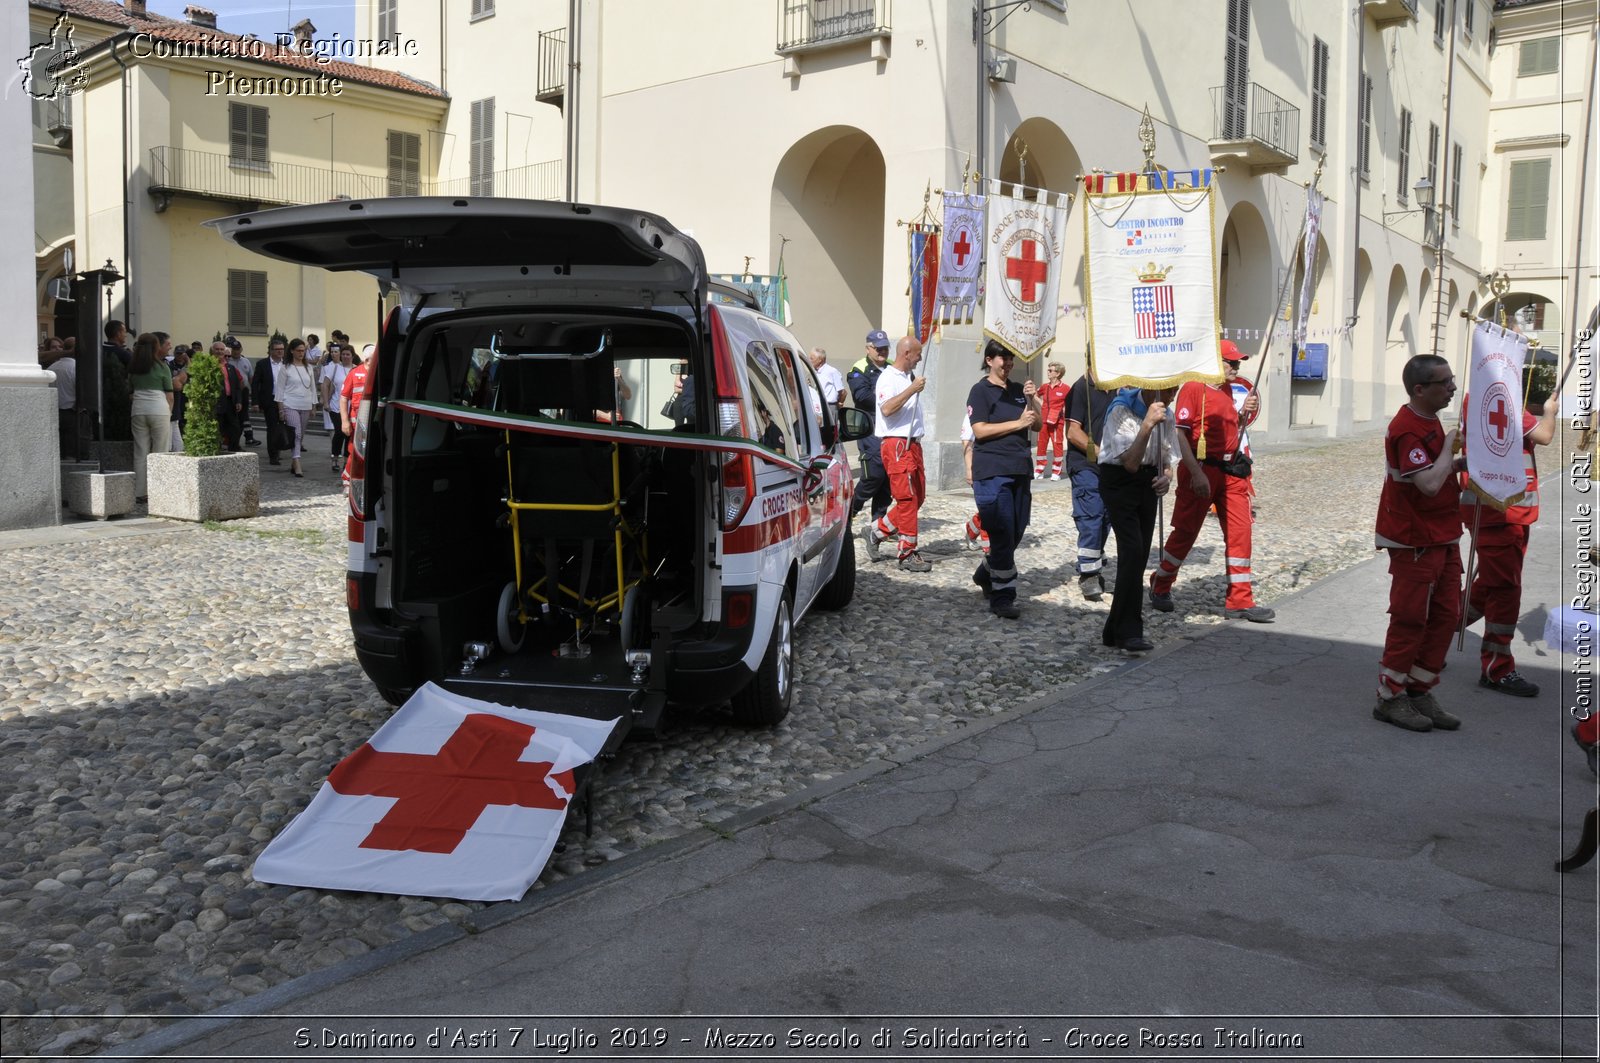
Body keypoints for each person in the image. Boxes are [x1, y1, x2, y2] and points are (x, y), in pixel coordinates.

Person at [1148, 340, 1276, 622]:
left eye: (1238, 363)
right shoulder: (1194, 387)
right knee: (1186, 533)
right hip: (1201, 468)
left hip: (1230, 471)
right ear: (1213, 362)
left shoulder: (1229, 391)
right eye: (1231, 362)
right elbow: (1181, 435)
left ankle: (1240, 600)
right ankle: (1161, 583)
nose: (1236, 367)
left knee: (1241, 531)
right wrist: (1196, 474)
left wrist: (1243, 415)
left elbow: (1230, 430)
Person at [1372, 353, 1466, 732]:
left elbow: (1435, 472)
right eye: (1445, 383)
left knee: (1445, 615)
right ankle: (1389, 697)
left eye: (1452, 379)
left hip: (1443, 533)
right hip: (1415, 538)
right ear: (1420, 389)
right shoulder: (1407, 427)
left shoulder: (1429, 419)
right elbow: (1427, 484)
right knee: (1412, 619)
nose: (1453, 388)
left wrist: (1459, 463)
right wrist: (1449, 450)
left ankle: (1418, 689)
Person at [1460, 390, 1559, 697]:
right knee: (1505, 591)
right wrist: (1550, 410)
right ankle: (1496, 668)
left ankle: (1433, 630)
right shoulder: (1500, 395)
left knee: (1491, 585)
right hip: (1502, 511)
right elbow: (1543, 435)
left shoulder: (1479, 393)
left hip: (1501, 510)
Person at [1097, 384, 1178, 654]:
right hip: (1119, 479)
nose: (1171, 396)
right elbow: (1130, 462)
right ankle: (1130, 631)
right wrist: (1146, 425)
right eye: (1167, 391)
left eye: (1174, 390)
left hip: (1146, 481)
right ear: (1150, 389)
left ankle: (1114, 630)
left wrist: (1166, 478)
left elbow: (1167, 459)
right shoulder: (1121, 410)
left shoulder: (1168, 413)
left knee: (1140, 554)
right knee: (1131, 550)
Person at [967, 340, 1041, 618]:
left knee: (1017, 530)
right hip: (992, 470)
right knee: (1000, 531)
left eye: (1011, 358)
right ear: (989, 360)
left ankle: (986, 573)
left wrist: (1032, 400)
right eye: (1003, 358)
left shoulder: (1018, 390)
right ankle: (1003, 595)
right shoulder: (980, 391)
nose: (1008, 363)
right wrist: (1017, 424)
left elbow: (1037, 423)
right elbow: (980, 430)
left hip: (1020, 468)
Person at [866, 335, 930, 571]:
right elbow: (887, 408)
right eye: (917, 354)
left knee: (918, 497)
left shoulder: (906, 377)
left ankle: (876, 531)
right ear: (906, 354)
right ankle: (907, 552)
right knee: (906, 499)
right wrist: (912, 390)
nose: (920, 358)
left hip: (913, 444)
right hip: (897, 445)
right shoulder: (888, 378)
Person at [1065, 359, 1112, 601]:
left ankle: (1094, 561)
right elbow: (1073, 432)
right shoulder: (1080, 389)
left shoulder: (1116, 387)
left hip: (1112, 466)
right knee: (1091, 514)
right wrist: (1103, 452)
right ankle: (1088, 573)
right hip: (1085, 464)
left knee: (1106, 517)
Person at [847, 329, 893, 523]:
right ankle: (852, 509)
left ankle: (879, 522)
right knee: (873, 473)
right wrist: (891, 399)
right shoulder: (859, 369)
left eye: (885, 348)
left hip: (892, 427)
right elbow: (862, 397)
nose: (882, 352)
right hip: (871, 428)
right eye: (877, 349)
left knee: (888, 477)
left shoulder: (893, 367)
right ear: (868, 348)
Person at [126, 332, 173, 503]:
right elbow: (170, 395)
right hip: (159, 409)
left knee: (140, 452)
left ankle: (139, 492)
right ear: (156, 347)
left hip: (138, 410)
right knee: (160, 451)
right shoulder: (162, 367)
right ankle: (159, 491)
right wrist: (169, 412)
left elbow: (130, 393)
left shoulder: (134, 367)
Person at [277, 338, 317, 477]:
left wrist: (313, 406)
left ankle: (294, 462)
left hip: (305, 404)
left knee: (301, 436)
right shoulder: (285, 368)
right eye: (299, 350)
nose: (301, 353)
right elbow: (280, 390)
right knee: (297, 434)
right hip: (290, 404)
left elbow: (312, 387)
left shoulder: (309, 368)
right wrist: (281, 409)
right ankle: (297, 463)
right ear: (292, 351)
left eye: (303, 351)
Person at [253, 337, 288, 467]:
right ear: (271, 350)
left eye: (282, 349)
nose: (280, 352)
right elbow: (256, 383)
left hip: (286, 400)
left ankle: (280, 449)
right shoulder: (262, 364)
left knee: (283, 426)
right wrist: (255, 402)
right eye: (277, 349)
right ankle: (273, 455)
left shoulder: (287, 363)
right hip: (270, 400)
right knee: (272, 428)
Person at [1033, 361, 1070, 480]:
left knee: (1057, 445)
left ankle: (1056, 471)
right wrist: (1042, 403)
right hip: (1044, 420)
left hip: (1057, 422)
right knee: (1041, 444)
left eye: (1050, 370)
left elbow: (1070, 403)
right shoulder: (1045, 387)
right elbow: (1035, 394)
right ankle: (1039, 470)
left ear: (1058, 373)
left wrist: (1062, 411)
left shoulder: (1065, 388)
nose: (1048, 372)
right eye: (1048, 370)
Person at [960, 413, 990, 556]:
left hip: (1002, 466)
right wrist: (968, 469)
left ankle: (971, 530)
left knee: (997, 508)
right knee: (988, 509)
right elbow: (967, 442)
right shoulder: (974, 412)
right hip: (981, 468)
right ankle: (989, 548)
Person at [321, 343, 354, 471]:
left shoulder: (356, 369)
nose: (345, 356)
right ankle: (335, 458)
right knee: (340, 431)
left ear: (352, 356)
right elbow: (325, 385)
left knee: (348, 434)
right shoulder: (334, 368)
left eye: (348, 354)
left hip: (351, 407)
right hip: (336, 406)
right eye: (343, 354)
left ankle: (346, 460)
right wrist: (325, 402)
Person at [210, 340, 247, 452]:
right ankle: (216, 449)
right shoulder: (208, 366)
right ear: (212, 351)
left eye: (222, 349)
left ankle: (233, 448)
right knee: (218, 428)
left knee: (235, 427)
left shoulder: (230, 367)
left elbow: (237, 386)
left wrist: (239, 401)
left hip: (230, 402)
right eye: (217, 349)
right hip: (216, 402)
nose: (220, 352)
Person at [225, 337, 259, 447]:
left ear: (241, 349)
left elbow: (251, 378)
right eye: (234, 349)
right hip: (231, 393)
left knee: (243, 416)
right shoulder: (227, 361)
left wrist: (253, 392)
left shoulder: (246, 361)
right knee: (234, 417)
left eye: (238, 349)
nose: (236, 351)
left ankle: (246, 438)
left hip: (244, 392)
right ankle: (232, 440)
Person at [809, 348, 845, 412]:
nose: (809, 361)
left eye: (812, 358)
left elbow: (842, 392)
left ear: (820, 360)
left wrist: (839, 403)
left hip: (829, 406)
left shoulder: (832, 371)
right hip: (817, 405)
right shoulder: (815, 372)